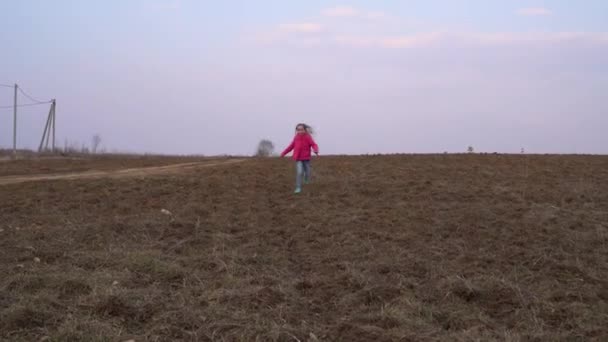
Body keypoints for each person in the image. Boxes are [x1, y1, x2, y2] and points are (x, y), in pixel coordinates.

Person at [281, 123, 319, 194]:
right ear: (297, 130)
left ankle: (306, 178)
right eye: (298, 130)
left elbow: (314, 144)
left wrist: (316, 150)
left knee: (307, 172)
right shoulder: (296, 138)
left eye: (301, 130)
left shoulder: (308, 137)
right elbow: (291, 146)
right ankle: (298, 187)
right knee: (299, 172)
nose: (300, 131)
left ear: (305, 130)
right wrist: (283, 153)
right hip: (298, 158)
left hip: (306, 158)